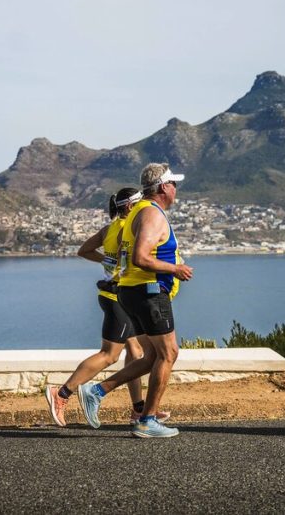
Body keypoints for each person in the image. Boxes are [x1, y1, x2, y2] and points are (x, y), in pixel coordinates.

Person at [77, 163, 193, 438]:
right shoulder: (152, 215)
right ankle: (147, 420)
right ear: (164, 187)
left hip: (132, 291)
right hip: (148, 292)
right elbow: (141, 257)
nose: (176, 189)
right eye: (174, 184)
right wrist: (175, 269)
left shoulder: (137, 213)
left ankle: (96, 391)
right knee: (169, 353)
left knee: (151, 355)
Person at [44, 187, 171, 427]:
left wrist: (105, 259)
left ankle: (138, 408)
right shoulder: (128, 228)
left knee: (136, 352)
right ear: (132, 206)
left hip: (111, 294)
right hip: (118, 296)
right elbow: (132, 262)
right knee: (109, 355)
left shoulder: (109, 228)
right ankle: (61, 394)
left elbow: (84, 250)